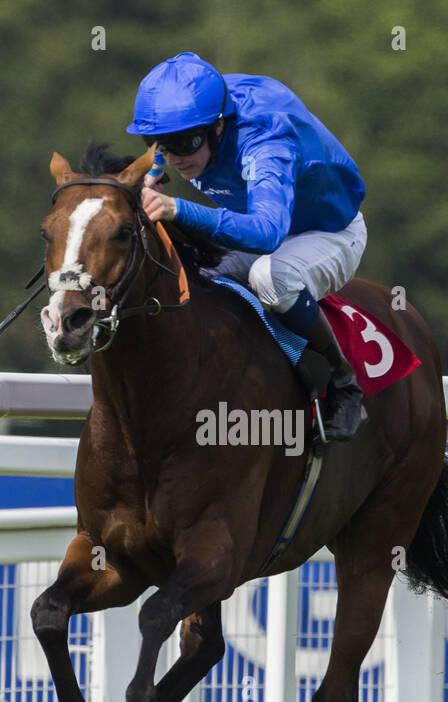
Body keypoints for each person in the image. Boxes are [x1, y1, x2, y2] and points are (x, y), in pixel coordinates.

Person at [127, 52, 368, 440]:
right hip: (261, 219)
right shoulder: (197, 114)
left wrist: (175, 207)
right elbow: (167, 139)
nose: (173, 158)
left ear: (218, 127)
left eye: (184, 145)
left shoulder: (265, 141)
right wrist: (152, 176)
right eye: (159, 144)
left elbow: (268, 233)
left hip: (328, 232)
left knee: (270, 276)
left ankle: (343, 380)